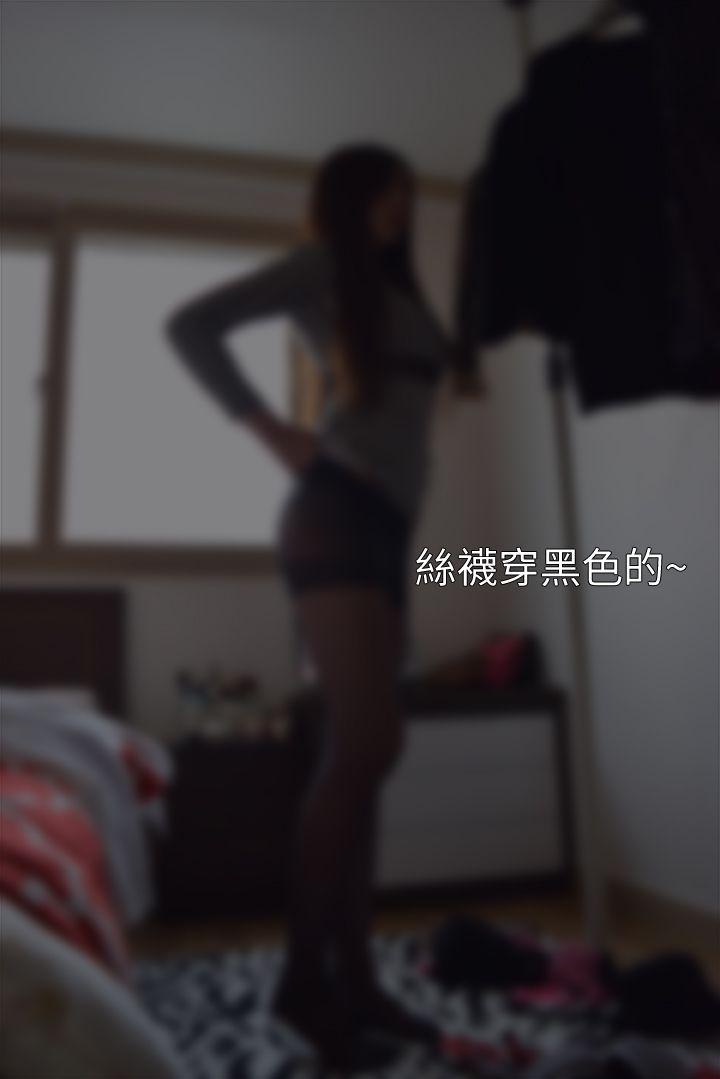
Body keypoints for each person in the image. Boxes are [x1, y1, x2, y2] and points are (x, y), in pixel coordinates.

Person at [165, 144, 449, 1067]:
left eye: (408, 193)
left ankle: (357, 978)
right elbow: (191, 326)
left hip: (386, 531)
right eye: (389, 189)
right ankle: (302, 977)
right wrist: (272, 430)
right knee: (367, 743)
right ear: (353, 194)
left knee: (366, 755)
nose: (402, 205)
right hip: (333, 514)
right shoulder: (322, 265)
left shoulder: (398, 294)